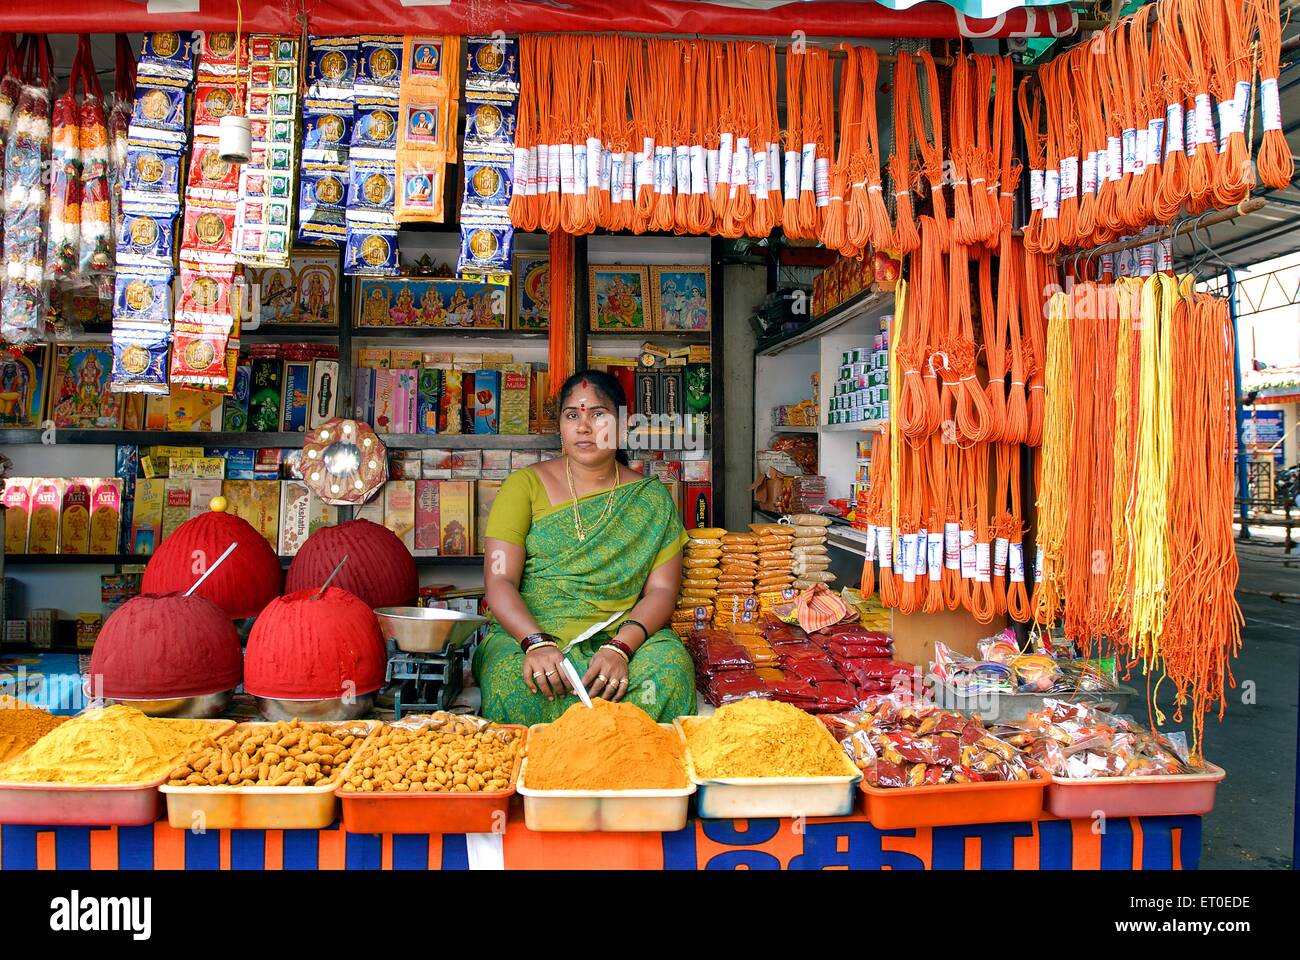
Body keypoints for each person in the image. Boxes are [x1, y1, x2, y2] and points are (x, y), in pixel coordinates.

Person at [474, 370, 695, 723]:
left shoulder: (651, 499)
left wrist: (621, 648)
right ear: (561, 426)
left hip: (619, 635)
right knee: (511, 682)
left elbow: (663, 590)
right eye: (572, 415)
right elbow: (499, 581)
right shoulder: (524, 486)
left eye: (598, 414)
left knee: (670, 672)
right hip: (532, 633)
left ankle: (643, 768)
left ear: (621, 425)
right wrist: (536, 642)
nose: (583, 427)